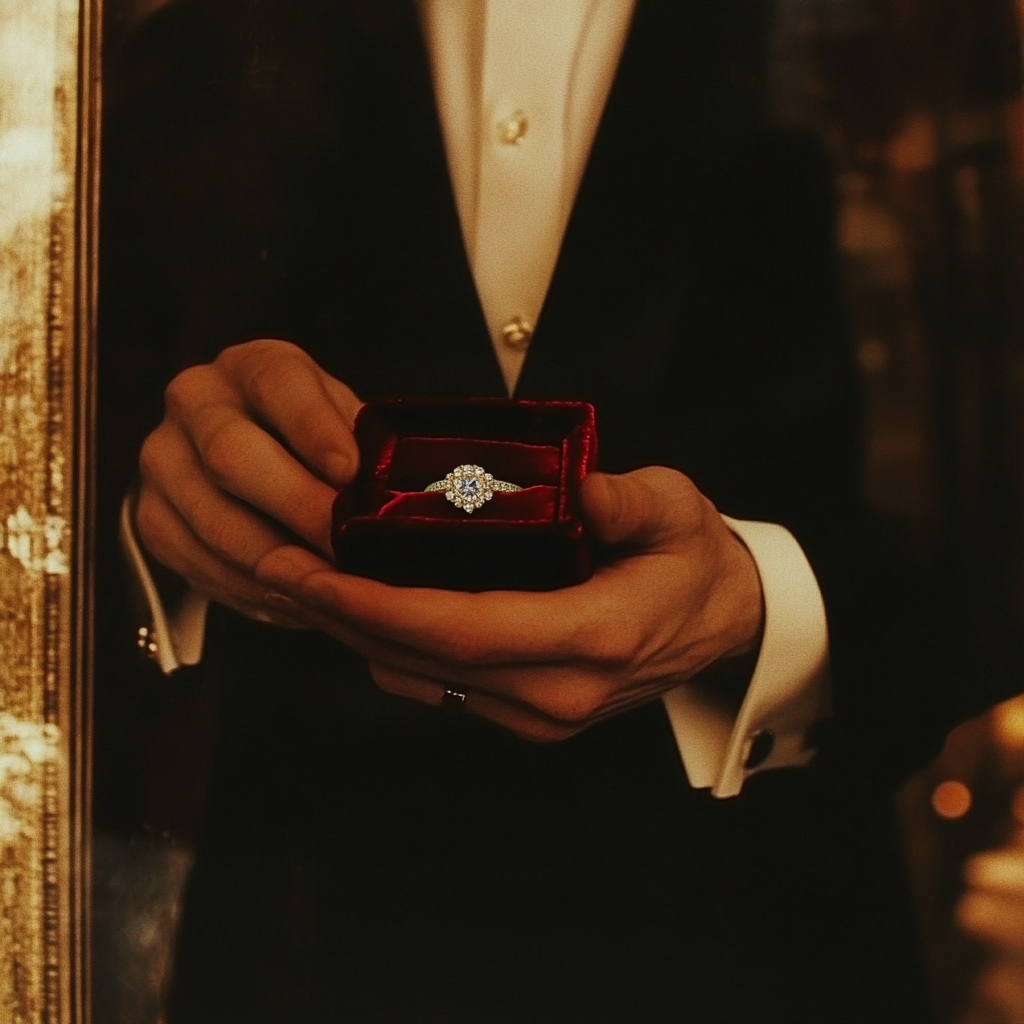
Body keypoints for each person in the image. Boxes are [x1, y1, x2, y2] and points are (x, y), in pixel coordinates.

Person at [95, 0, 1019, 1020]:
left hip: (758, 944)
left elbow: (988, 504)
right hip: (298, 934)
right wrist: (157, 516)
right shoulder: (159, 26)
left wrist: (770, 604)